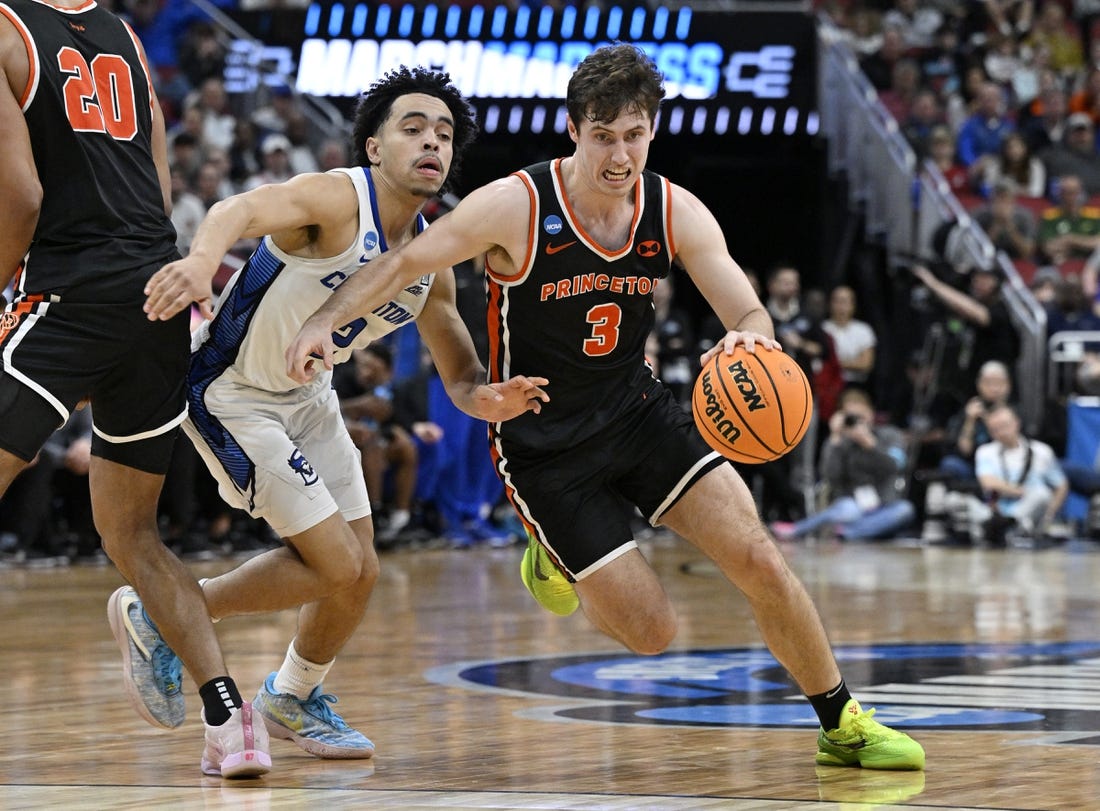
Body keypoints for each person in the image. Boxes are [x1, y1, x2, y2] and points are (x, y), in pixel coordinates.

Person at [285, 43, 925, 771]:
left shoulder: (671, 209)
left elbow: (748, 312)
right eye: (603, 136)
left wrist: (745, 346)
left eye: (634, 135)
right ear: (573, 129)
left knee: (759, 557)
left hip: (637, 412)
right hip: (544, 444)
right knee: (652, 632)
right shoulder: (517, 206)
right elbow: (403, 264)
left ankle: (841, 720)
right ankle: (551, 554)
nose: (619, 155)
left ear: (652, 131)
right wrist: (321, 324)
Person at [140, 67, 549, 761]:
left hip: (309, 401)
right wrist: (202, 260)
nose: (432, 143)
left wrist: (487, 398)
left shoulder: (433, 260)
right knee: (335, 564)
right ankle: (168, 613)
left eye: (445, 134)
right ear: (373, 148)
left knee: (361, 572)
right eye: (413, 128)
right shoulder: (335, 200)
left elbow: (461, 375)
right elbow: (237, 210)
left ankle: (293, 693)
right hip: (230, 391)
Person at [0, 0, 270, 778]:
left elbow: (19, 196)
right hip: (154, 296)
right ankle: (231, 721)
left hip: (66, 295)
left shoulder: (6, 31)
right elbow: (154, 175)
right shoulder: (123, 35)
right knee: (135, 535)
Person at [770, 388, 916, 542]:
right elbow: (829, 476)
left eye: (861, 416)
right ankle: (853, 532)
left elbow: (895, 466)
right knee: (847, 510)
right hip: (853, 506)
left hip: (885, 506)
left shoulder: (890, 435)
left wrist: (870, 444)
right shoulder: (841, 443)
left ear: (871, 413)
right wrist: (835, 438)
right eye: (851, 418)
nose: (857, 422)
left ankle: (845, 533)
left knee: (905, 510)